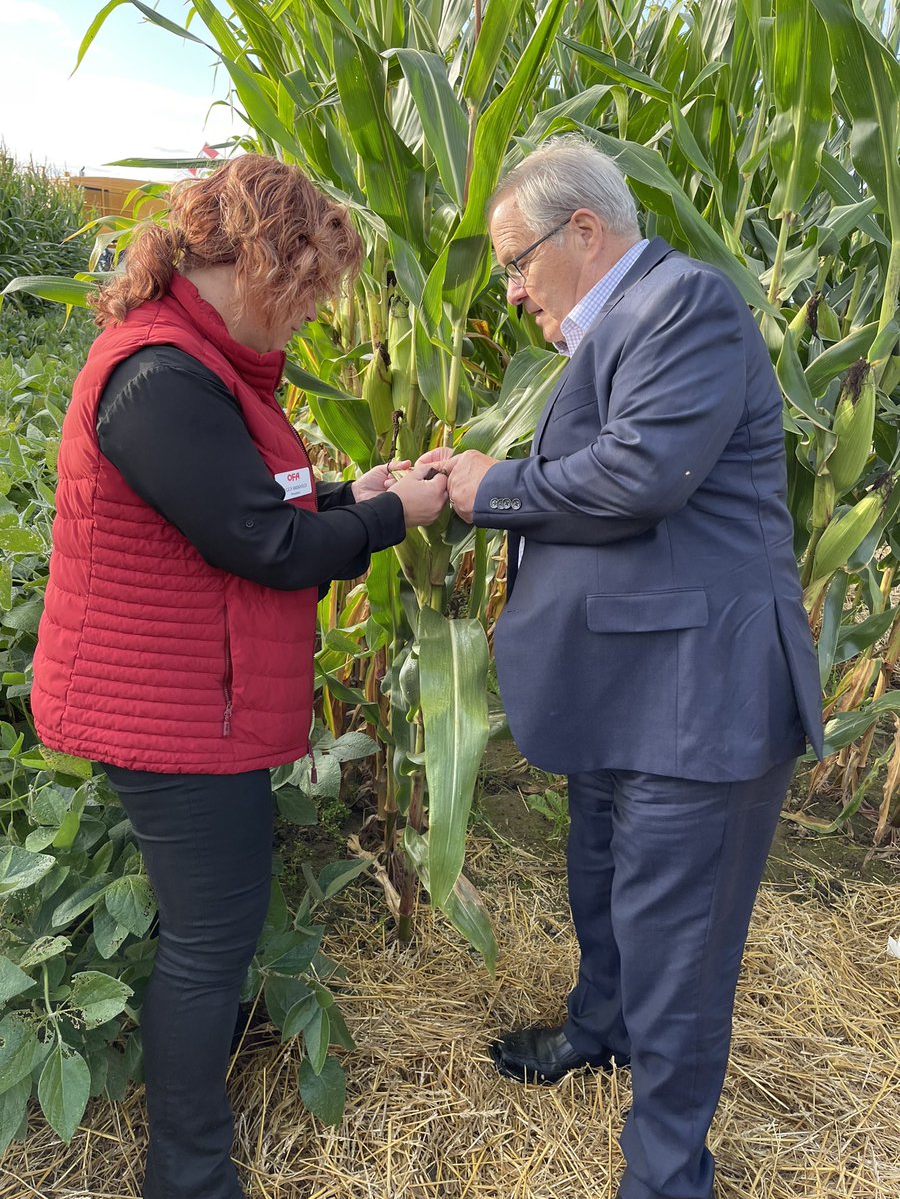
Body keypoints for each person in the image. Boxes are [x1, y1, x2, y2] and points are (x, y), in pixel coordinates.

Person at [31, 155, 447, 1199]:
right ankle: (189, 1173)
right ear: (260, 257)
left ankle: (210, 1091)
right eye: (307, 285)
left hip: (192, 699)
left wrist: (363, 490)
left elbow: (261, 510)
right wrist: (399, 517)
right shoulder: (160, 380)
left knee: (216, 924)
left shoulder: (200, 372)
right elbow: (266, 547)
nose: (310, 313)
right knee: (208, 941)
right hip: (171, 712)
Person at [420, 135, 823, 1199]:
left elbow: (641, 476)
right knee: (601, 882)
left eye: (516, 264)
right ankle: (597, 1031)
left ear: (583, 233)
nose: (511, 292)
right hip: (629, 693)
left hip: (700, 701)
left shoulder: (685, 304)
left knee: (678, 950)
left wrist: (488, 487)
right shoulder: (621, 332)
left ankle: (665, 1173)